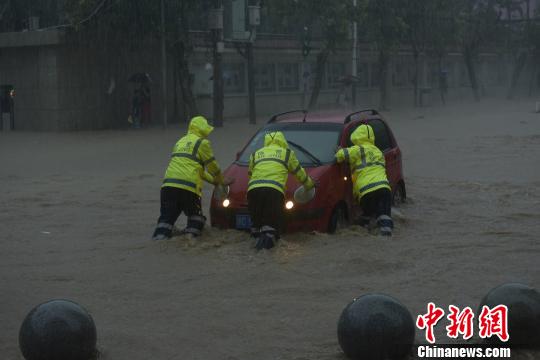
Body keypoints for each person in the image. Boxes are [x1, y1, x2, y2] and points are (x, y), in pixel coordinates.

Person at [152, 115, 232, 241]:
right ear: (202, 130)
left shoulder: (180, 142)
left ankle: (159, 240)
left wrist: (214, 182)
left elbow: (197, 171)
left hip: (168, 187)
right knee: (196, 218)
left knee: (166, 220)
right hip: (188, 189)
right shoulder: (202, 143)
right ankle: (189, 241)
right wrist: (221, 181)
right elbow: (213, 167)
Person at [247, 131, 315, 250]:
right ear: (282, 141)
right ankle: (264, 258)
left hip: (253, 191)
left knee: (256, 227)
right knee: (270, 229)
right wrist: (310, 185)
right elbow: (300, 173)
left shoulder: (255, 154)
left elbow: (250, 174)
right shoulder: (287, 154)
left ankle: (253, 255)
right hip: (273, 192)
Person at [335, 124, 393, 236]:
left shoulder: (358, 149)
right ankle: (386, 239)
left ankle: (363, 230)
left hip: (366, 191)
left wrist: (338, 150)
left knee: (367, 216)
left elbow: (340, 156)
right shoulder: (378, 151)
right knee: (384, 217)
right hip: (384, 188)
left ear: (356, 136)